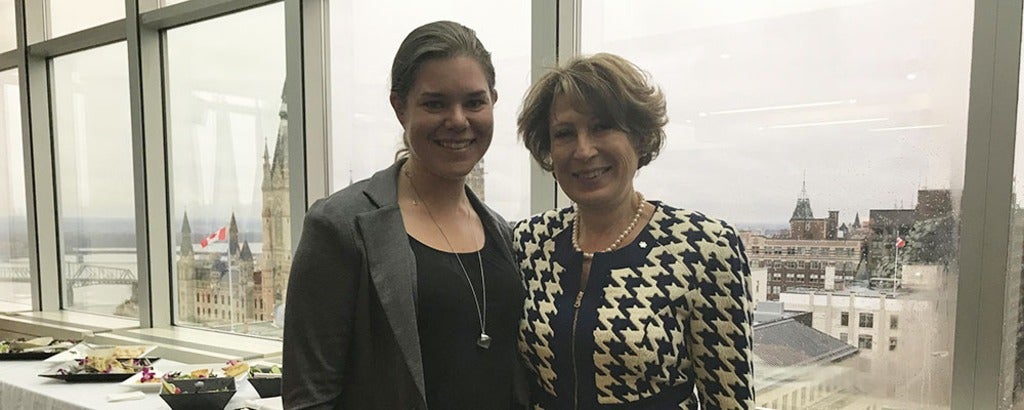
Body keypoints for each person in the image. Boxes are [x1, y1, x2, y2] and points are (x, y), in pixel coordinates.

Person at [282, 21, 526, 409]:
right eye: (435, 103)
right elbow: (309, 397)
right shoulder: (341, 226)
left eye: (474, 102)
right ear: (399, 107)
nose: (458, 120)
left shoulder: (502, 233)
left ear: (493, 101)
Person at [514, 53, 755, 409]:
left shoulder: (703, 247)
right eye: (564, 134)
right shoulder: (530, 241)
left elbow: (729, 402)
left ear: (640, 137)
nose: (583, 150)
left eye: (602, 127)